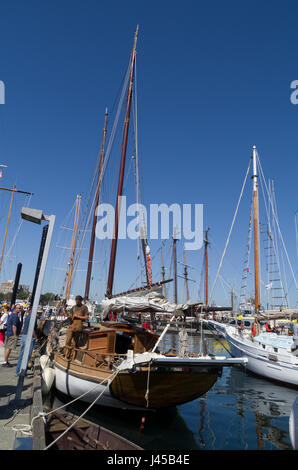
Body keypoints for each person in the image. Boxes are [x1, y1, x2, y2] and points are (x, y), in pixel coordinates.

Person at [15, 309, 43, 376]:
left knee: (22, 355)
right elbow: (32, 329)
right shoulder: (33, 318)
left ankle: (18, 371)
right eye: (40, 314)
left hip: (24, 336)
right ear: (37, 313)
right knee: (27, 356)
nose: (41, 315)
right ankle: (22, 372)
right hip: (29, 338)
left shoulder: (28, 316)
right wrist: (36, 337)